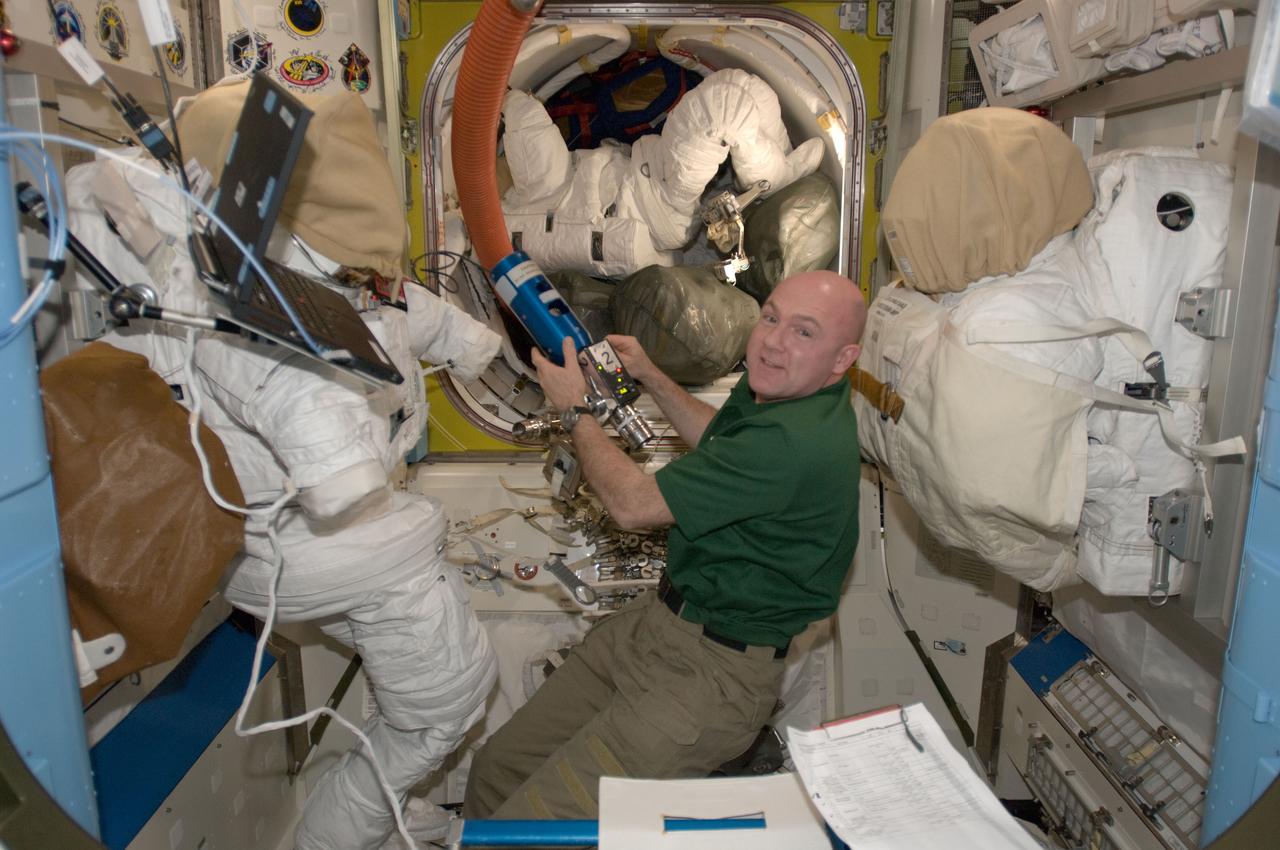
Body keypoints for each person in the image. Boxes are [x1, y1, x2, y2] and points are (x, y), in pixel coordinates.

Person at [66, 81, 502, 850]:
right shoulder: (241, 313)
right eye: (355, 268)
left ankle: (393, 801)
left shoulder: (327, 283)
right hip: (327, 544)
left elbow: (410, 316)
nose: (372, 280)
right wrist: (356, 467)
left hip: (315, 544)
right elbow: (308, 422)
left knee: (408, 691)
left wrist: (482, 347)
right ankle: (337, 833)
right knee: (447, 706)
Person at [463, 269, 867, 820]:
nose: (773, 341)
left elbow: (631, 506)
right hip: (658, 626)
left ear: (843, 358)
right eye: (770, 317)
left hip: (709, 677)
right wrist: (649, 375)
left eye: (803, 332)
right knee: (497, 771)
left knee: (533, 829)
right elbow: (719, 439)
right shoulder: (786, 396)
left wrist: (575, 411)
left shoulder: (797, 442)